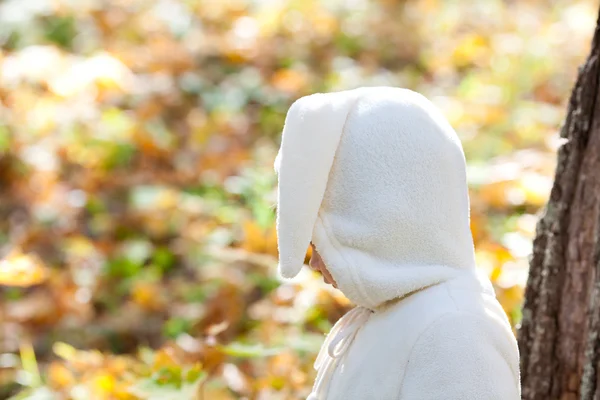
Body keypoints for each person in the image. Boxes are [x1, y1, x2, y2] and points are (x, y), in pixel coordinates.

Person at [274, 87, 520, 400]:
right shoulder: (395, 317)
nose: (314, 261)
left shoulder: (455, 332)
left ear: (379, 217)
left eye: (325, 237)